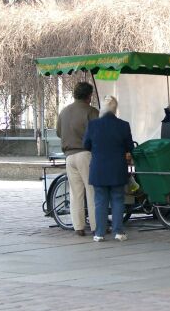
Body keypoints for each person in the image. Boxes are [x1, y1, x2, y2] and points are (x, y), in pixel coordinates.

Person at [83, 96, 134, 242]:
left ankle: (99, 233)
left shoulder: (93, 125)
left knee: (100, 200)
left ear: (102, 109)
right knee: (118, 199)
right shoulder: (123, 125)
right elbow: (130, 146)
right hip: (117, 168)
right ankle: (118, 232)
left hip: (98, 168)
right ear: (115, 109)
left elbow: (86, 145)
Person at [57, 82, 98, 236]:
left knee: (76, 193)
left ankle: (78, 227)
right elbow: (98, 133)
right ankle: (96, 226)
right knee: (92, 190)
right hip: (85, 154)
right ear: (89, 96)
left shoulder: (64, 112)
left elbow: (59, 132)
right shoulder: (91, 111)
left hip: (69, 156)